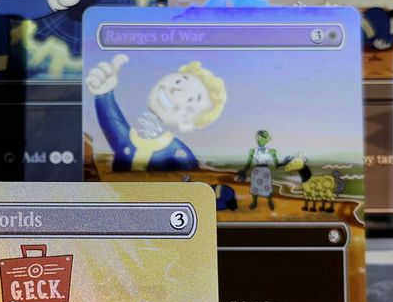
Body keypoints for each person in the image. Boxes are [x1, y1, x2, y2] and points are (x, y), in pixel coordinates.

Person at [85, 54, 226, 172]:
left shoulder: (178, 153)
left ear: (187, 123)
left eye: (190, 100)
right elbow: (112, 122)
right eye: (179, 81)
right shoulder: (129, 139)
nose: (175, 90)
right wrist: (104, 94)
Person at [236, 130, 284, 211]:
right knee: (255, 187)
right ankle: (254, 201)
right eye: (257, 137)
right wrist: (243, 171)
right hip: (256, 171)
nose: (258, 139)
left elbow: (276, 165)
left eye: (261, 138)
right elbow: (248, 164)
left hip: (265, 171)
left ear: (266, 140)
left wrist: (284, 163)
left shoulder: (271, 151)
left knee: (267, 188)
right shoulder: (252, 151)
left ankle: (269, 201)